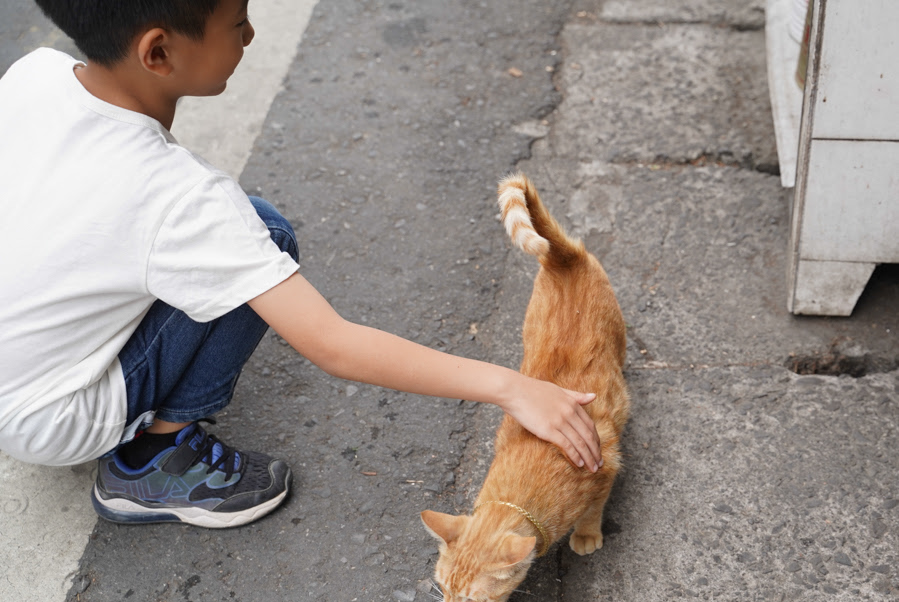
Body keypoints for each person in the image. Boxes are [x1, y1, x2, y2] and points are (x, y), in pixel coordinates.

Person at [0, 0, 603, 529]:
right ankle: (152, 461)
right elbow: (334, 344)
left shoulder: (35, 74)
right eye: (237, 22)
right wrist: (513, 387)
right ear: (158, 52)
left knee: (222, 244)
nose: (250, 34)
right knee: (264, 235)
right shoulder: (184, 200)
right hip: (53, 416)